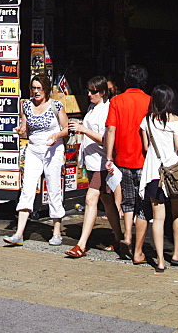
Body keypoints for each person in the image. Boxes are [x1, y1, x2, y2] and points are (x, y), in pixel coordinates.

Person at [3, 74, 68, 247]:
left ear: (46, 89)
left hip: (52, 149)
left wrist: (56, 135)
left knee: (53, 188)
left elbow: (66, 128)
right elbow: (25, 129)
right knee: (27, 188)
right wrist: (20, 130)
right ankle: (19, 233)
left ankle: (56, 231)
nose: (36, 91)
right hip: (33, 149)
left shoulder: (56, 106)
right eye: (34, 88)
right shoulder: (26, 105)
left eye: (40, 88)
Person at [139, 84, 178, 271]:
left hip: (153, 173)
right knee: (177, 213)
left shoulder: (147, 121)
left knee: (158, 218)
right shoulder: (175, 120)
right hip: (173, 171)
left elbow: (146, 148)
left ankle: (160, 260)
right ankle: (176, 253)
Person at [65, 75, 122, 258]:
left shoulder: (107, 110)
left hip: (101, 161)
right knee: (107, 201)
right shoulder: (92, 107)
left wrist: (83, 130)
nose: (89, 94)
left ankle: (81, 245)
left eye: (93, 91)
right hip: (91, 161)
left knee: (91, 199)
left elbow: (107, 139)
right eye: (88, 91)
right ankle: (118, 237)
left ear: (103, 92)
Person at [103, 64, 151, 262]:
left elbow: (111, 130)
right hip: (144, 160)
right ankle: (138, 247)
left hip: (122, 158)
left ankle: (127, 236)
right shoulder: (150, 101)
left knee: (127, 201)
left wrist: (108, 157)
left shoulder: (116, 101)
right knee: (143, 204)